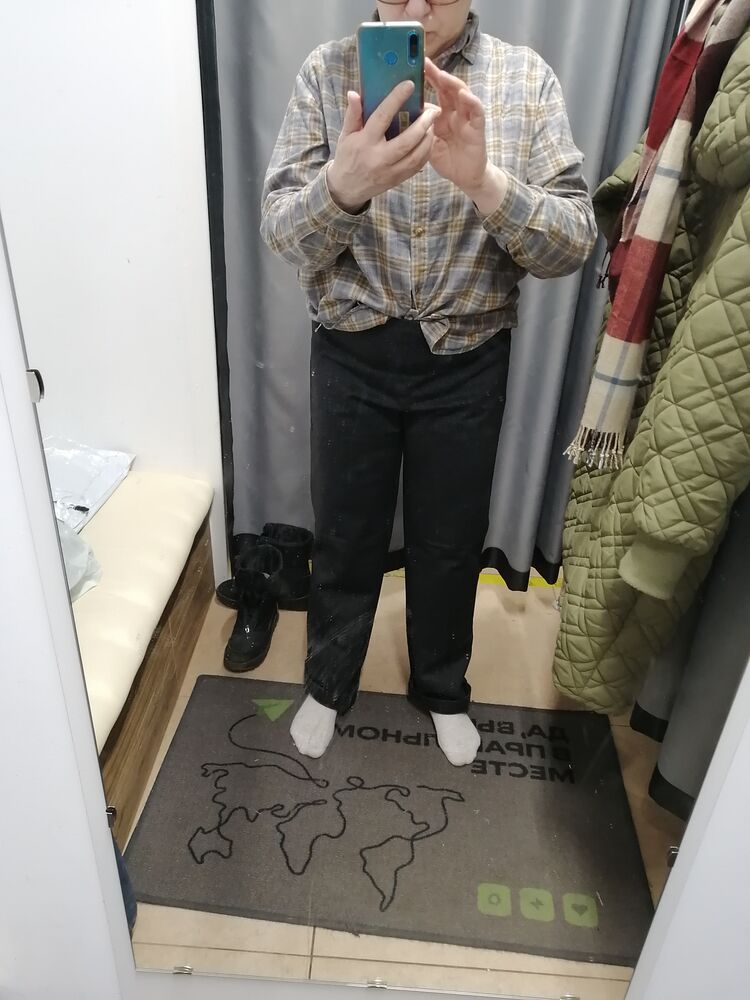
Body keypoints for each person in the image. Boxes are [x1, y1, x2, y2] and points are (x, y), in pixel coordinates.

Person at [261, 0, 596, 766]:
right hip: (351, 351)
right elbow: (282, 232)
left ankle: (443, 686)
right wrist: (341, 188)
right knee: (345, 535)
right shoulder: (326, 74)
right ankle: (329, 682)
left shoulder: (523, 79)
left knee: (451, 541)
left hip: (468, 359)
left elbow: (574, 242)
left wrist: (486, 183)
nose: (415, 8)